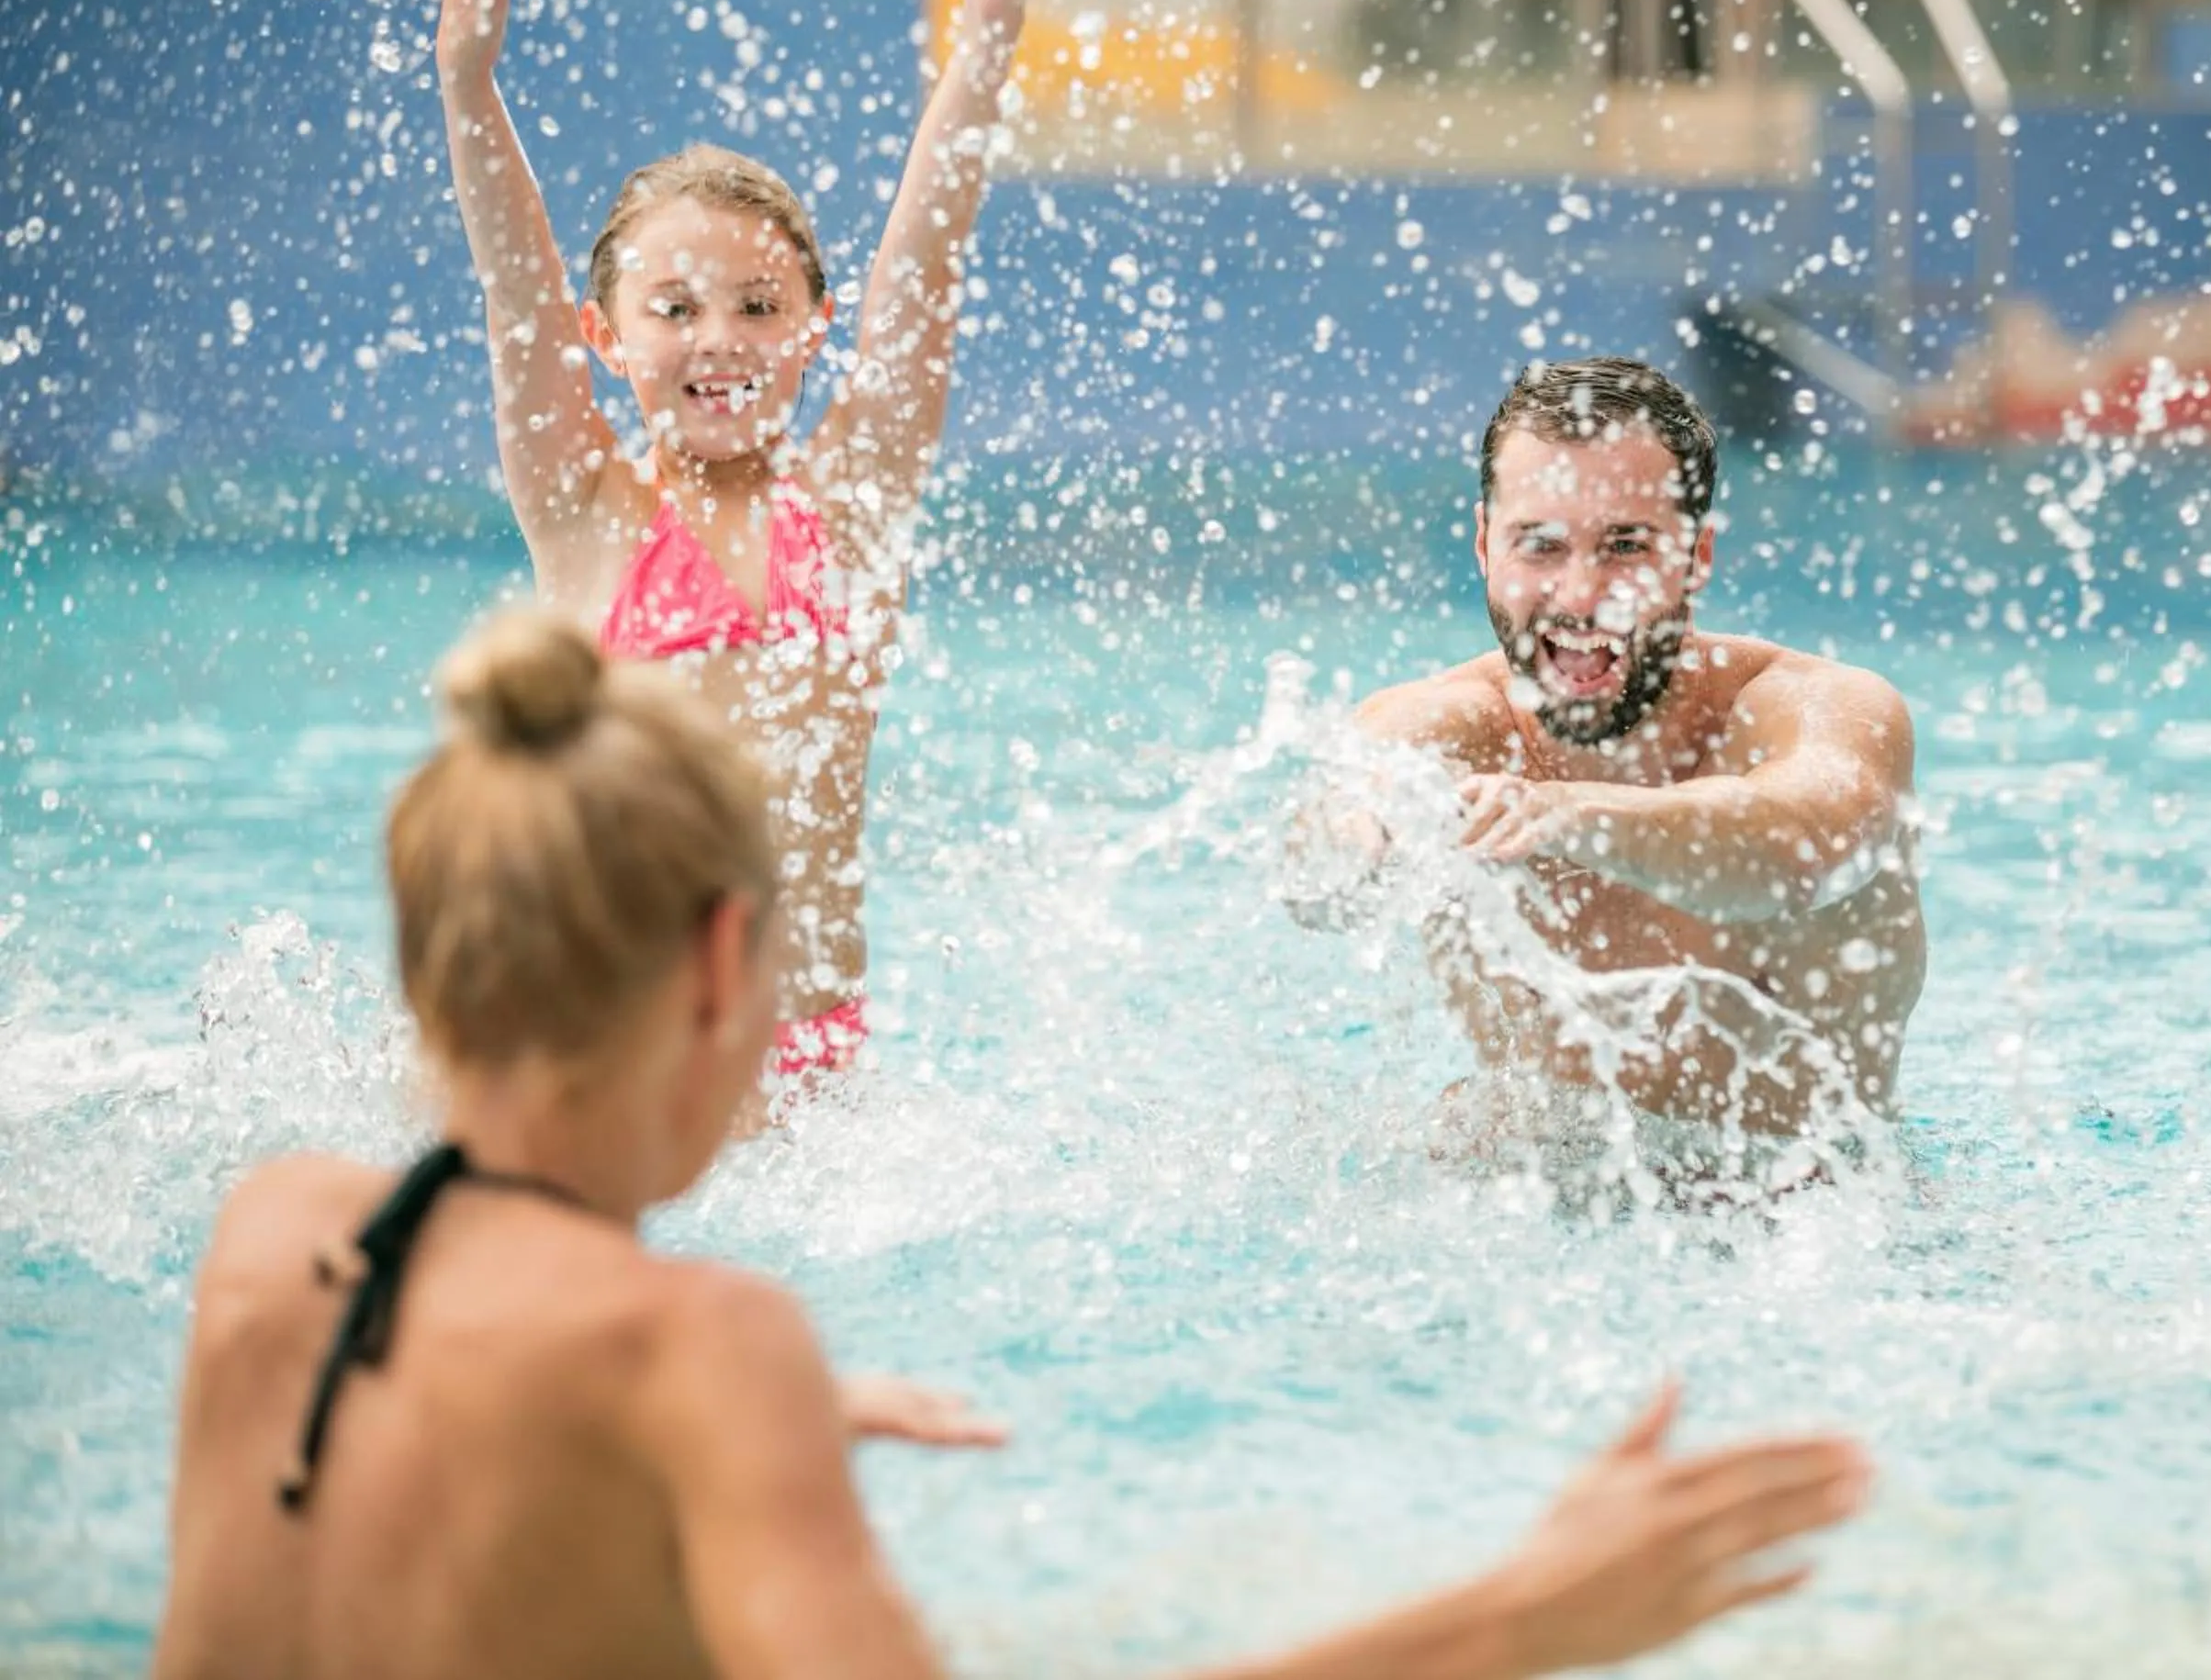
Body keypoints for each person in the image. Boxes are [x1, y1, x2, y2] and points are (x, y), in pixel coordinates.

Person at [148, 610, 1874, 1680]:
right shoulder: (698, 1348)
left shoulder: (276, 1235)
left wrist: (620, 1430)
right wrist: (1530, 1614)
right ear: (728, 966)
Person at [430, 0, 1065, 1086]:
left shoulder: (855, 495)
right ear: (605, 337)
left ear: (816, 330)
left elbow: (926, 260)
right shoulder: (589, 513)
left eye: (759, 307)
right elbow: (513, 290)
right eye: (672, 309)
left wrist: (987, 26)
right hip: (619, 1042)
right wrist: (469, 85)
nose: (718, 338)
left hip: (812, 1057)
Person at [1327, 356, 1925, 1145]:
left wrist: (1571, 813)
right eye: (1538, 546)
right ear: (1483, 545)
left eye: (1626, 546)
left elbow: (1809, 843)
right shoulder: (1445, 728)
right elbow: (1320, 863)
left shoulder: (1820, 708)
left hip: (1808, 1223)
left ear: (1696, 556)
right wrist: (1356, 842)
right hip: (1541, 1221)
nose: (1579, 596)